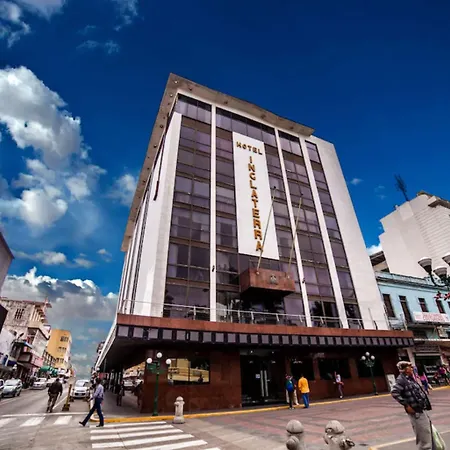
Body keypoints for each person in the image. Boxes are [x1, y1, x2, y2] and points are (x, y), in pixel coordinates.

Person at [391, 361, 432, 450]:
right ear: (405, 369)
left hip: (421, 409)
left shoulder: (410, 378)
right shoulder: (401, 380)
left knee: (427, 432)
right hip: (416, 412)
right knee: (423, 435)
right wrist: (407, 405)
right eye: (410, 367)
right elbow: (394, 392)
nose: (412, 368)